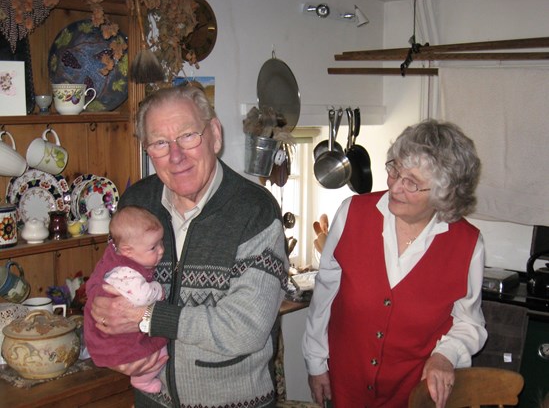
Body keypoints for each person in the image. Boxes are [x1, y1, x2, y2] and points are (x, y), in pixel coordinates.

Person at [89, 85, 289, 407]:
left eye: (187, 136)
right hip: (152, 399)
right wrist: (108, 338)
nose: (176, 155)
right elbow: (107, 285)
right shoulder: (136, 204)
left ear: (214, 134)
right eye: (160, 143)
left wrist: (148, 316)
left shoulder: (255, 210)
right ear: (147, 150)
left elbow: (246, 328)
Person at [302, 119, 488, 408]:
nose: (395, 187)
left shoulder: (467, 244)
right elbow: (324, 294)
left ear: (444, 194)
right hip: (346, 386)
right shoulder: (352, 214)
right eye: (395, 170)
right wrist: (316, 362)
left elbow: (469, 322)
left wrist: (446, 355)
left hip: (413, 395)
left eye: (412, 182)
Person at [84, 205, 168, 393]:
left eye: (161, 243)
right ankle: (142, 381)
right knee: (156, 353)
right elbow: (142, 296)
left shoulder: (119, 254)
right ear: (128, 251)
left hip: (116, 331)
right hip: (117, 340)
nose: (161, 250)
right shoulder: (126, 272)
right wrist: (159, 290)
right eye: (153, 247)